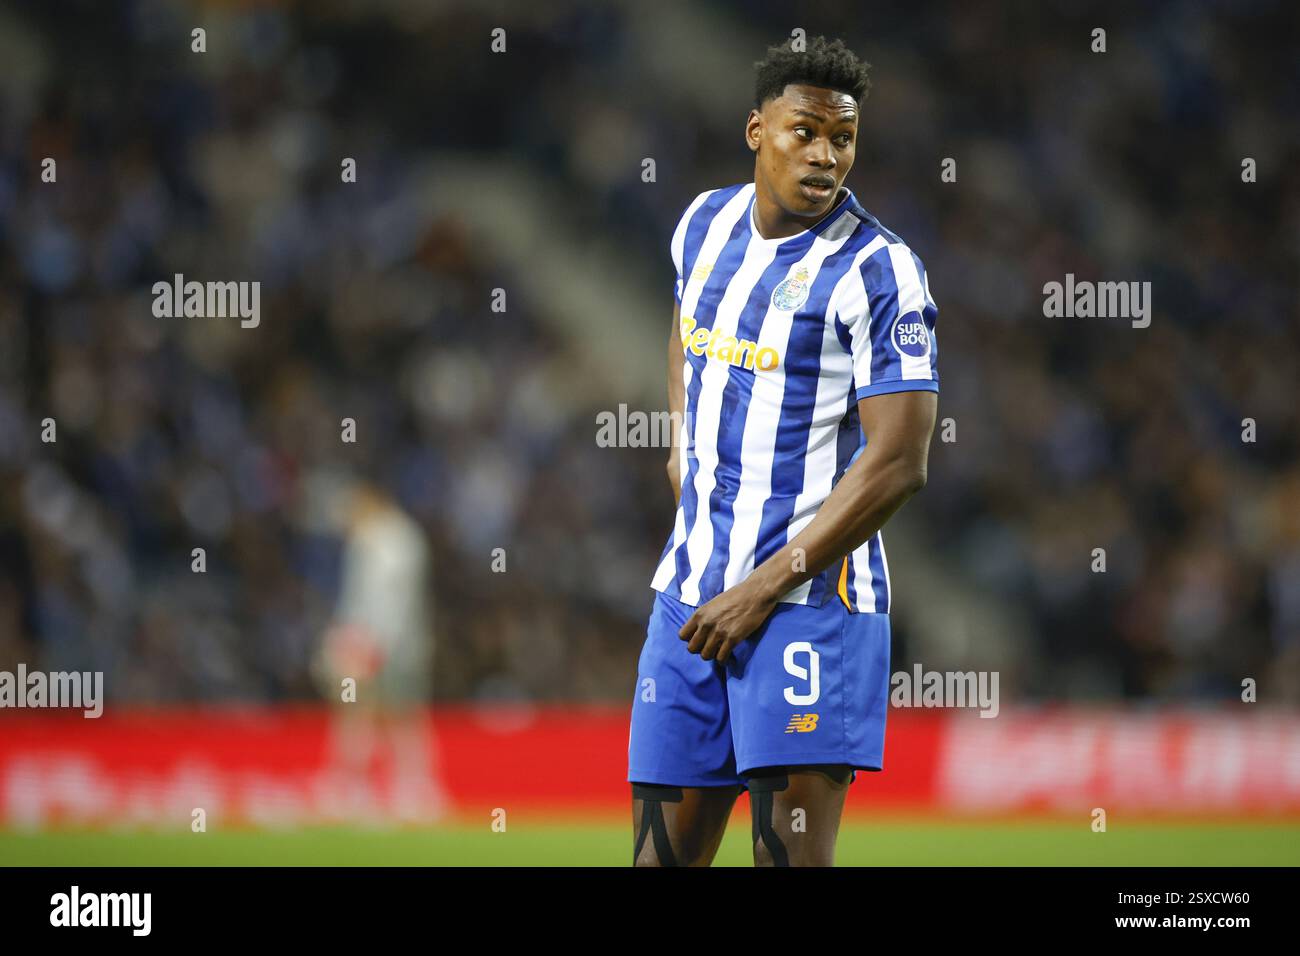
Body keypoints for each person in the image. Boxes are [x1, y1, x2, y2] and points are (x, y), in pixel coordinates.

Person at [628, 36, 939, 866]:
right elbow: (684, 327)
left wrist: (765, 587)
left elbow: (901, 460)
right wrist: (680, 440)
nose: (826, 154)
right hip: (690, 600)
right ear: (757, 130)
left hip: (811, 610)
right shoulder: (703, 223)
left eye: (843, 138)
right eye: (806, 131)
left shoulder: (880, 273)